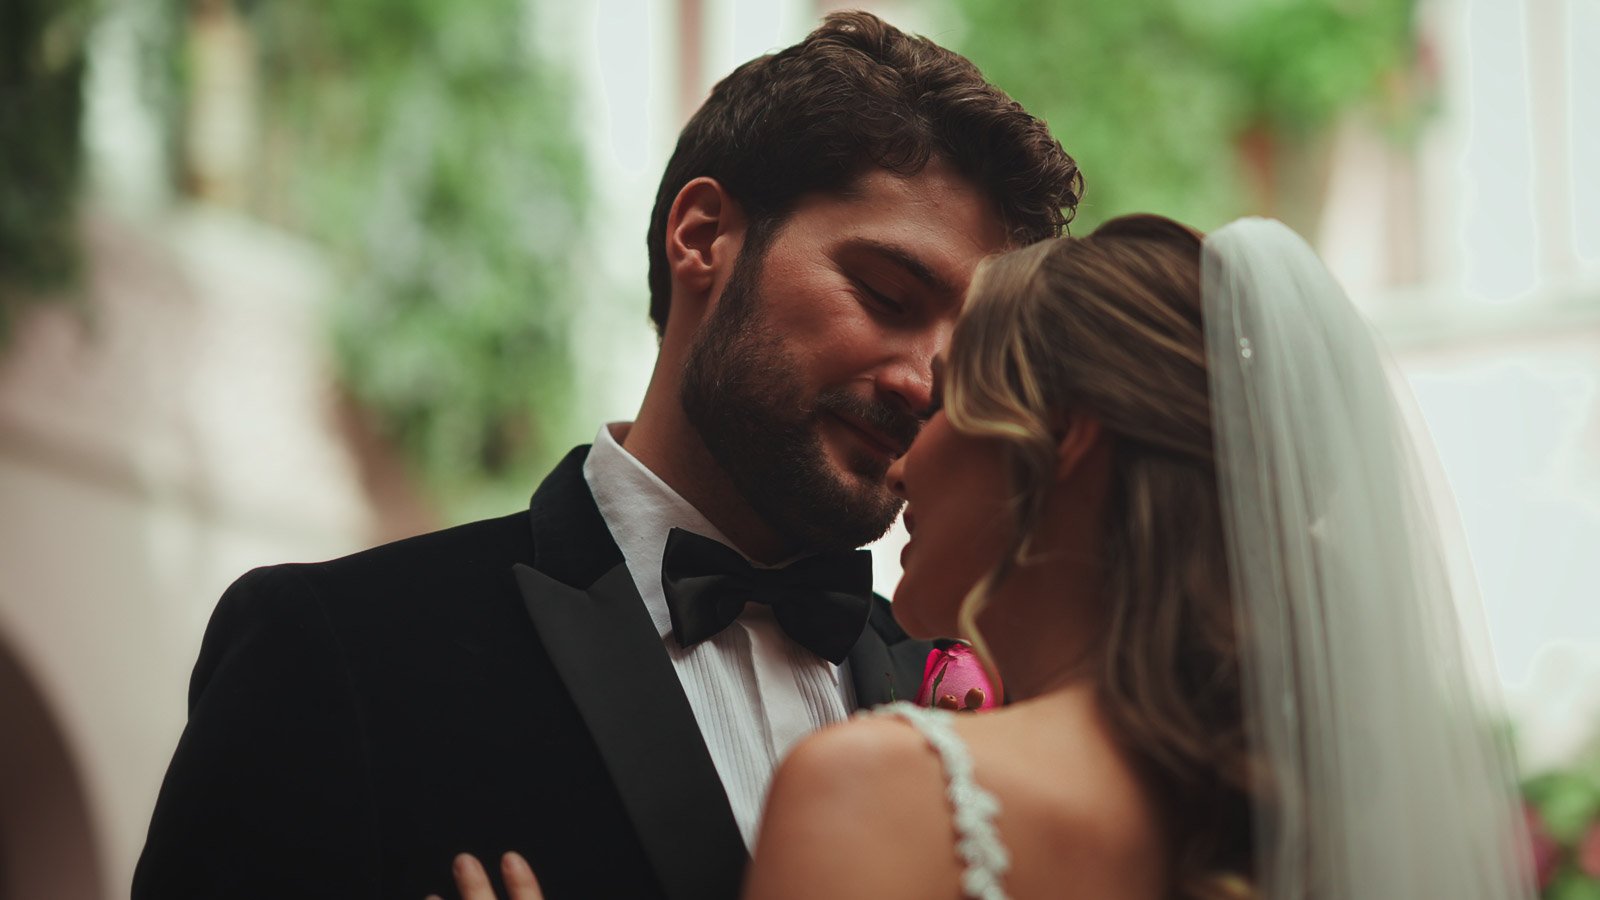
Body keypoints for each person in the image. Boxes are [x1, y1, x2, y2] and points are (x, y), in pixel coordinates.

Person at [130, 11, 1082, 900]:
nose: (922, 383)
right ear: (702, 237)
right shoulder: (340, 650)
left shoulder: (982, 714)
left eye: (964, 353)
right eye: (885, 294)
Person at [445, 215, 1536, 900]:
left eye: (950, 397)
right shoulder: (1293, 819)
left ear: (1062, 441)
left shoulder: (885, 786)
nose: (906, 450)